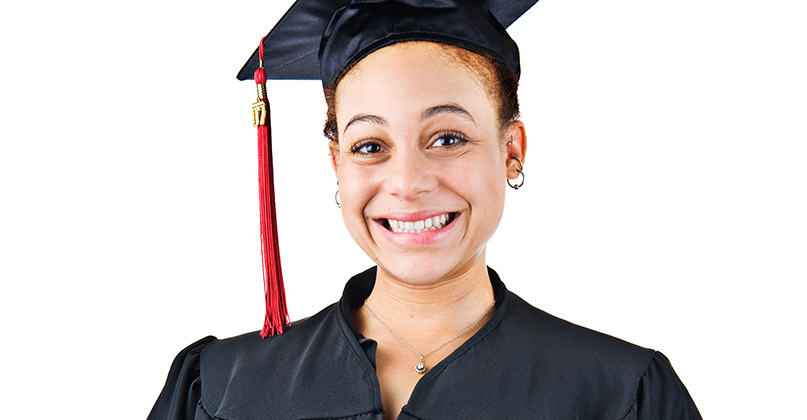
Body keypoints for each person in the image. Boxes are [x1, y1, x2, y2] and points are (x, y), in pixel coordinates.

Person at [146, 1, 701, 419]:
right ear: (336, 162)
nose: (408, 183)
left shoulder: (620, 394)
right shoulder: (221, 390)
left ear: (512, 151)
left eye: (447, 138)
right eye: (370, 146)